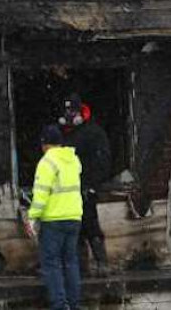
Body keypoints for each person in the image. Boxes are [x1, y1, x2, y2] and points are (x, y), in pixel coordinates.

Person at [25, 124, 83, 310]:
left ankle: (59, 304)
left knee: (52, 263)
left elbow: (41, 194)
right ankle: (74, 303)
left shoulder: (47, 162)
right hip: (74, 217)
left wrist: (32, 217)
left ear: (44, 144)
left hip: (53, 220)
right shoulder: (73, 160)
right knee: (71, 261)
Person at [60, 93, 111, 276]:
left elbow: (103, 161)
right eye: (66, 111)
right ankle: (82, 268)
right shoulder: (66, 135)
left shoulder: (93, 132)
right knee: (76, 228)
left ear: (80, 111)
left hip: (87, 188)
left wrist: (92, 184)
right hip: (70, 190)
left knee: (90, 224)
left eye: (72, 111)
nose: (69, 115)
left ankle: (102, 263)